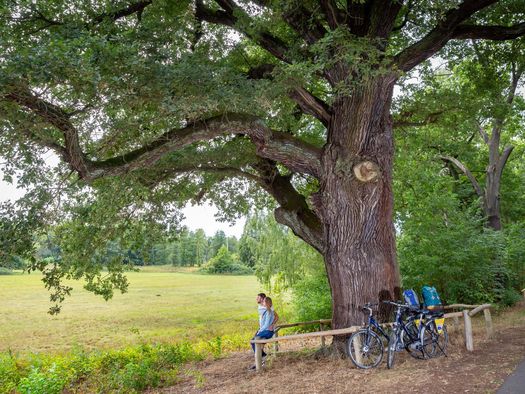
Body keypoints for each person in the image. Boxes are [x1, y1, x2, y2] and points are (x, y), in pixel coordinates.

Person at [250, 297, 275, 369]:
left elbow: (266, 324)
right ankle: (261, 357)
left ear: (266, 303)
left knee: (253, 341)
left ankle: (262, 357)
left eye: (263, 302)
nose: (262, 303)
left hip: (267, 331)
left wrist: (260, 330)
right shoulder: (267, 311)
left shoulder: (269, 312)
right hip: (266, 331)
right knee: (255, 341)